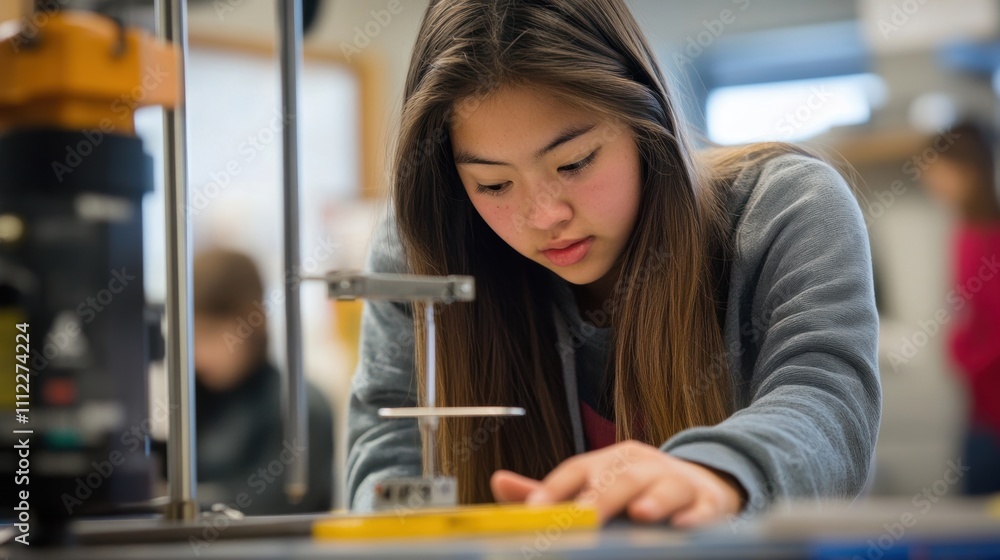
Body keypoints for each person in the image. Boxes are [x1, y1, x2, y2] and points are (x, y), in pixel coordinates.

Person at [347, 0, 881, 527]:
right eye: (494, 184)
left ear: (644, 118)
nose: (544, 215)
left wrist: (714, 473)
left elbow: (825, 395)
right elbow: (389, 444)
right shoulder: (424, 250)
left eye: (575, 162)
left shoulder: (785, 208)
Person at [192, 248, 335, 514]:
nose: (198, 353)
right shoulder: (189, 404)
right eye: (190, 336)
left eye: (210, 334)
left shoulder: (302, 410)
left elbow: (269, 509)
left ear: (253, 322)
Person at [921, 119, 1000, 496]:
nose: (929, 180)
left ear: (966, 169)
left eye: (936, 169)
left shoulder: (988, 236)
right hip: (981, 404)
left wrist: (962, 353)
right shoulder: (966, 230)